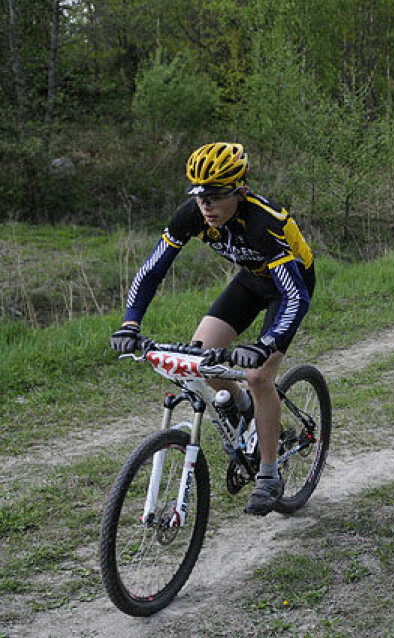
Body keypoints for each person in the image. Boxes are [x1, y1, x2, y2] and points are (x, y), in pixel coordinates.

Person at [109, 142, 315, 516]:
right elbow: (153, 268)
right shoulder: (192, 215)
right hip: (251, 281)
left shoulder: (264, 224)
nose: (206, 204)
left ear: (240, 192)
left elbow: (294, 296)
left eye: (217, 195)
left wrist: (265, 344)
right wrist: (130, 323)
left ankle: (269, 474)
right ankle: (241, 409)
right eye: (200, 194)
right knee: (200, 356)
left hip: (289, 289)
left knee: (257, 374)